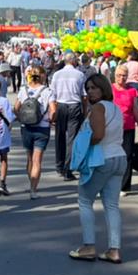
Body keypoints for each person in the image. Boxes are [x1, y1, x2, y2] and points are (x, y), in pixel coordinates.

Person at [70, 73, 127, 264]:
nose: (90, 92)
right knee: (111, 205)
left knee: (85, 200)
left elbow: (98, 135)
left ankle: (89, 245)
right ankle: (114, 249)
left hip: (101, 157)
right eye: (88, 89)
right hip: (119, 156)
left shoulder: (98, 109)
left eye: (94, 87)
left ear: (103, 88)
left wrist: (83, 144)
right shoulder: (116, 109)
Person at [16, 65, 53, 198]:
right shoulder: (47, 91)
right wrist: (51, 120)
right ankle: (33, 189)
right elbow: (53, 110)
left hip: (26, 127)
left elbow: (16, 108)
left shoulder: (23, 90)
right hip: (42, 128)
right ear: (42, 75)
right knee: (37, 160)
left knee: (29, 158)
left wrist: (21, 118)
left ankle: (31, 181)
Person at [49, 52, 87, 180]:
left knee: (59, 136)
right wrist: (85, 110)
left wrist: (53, 110)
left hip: (61, 105)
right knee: (72, 139)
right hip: (74, 106)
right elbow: (84, 95)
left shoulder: (57, 75)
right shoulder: (80, 74)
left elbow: (52, 94)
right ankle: (68, 168)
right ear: (74, 61)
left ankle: (59, 165)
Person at [110, 74, 138, 192]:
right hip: (113, 127)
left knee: (127, 156)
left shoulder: (131, 91)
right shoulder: (110, 89)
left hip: (128, 126)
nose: (122, 78)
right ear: (115, 76)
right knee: (112, 156)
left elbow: (135, 108)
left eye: (124, 75)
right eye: (119, 75)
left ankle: (124, 186)